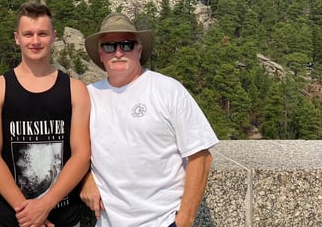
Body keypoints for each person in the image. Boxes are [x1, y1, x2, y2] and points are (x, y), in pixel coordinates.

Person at [80, 13, 219, 227]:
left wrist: (184, 220)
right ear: (100, 53)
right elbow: (74, 151)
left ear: (139, 49)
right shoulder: (88, 96)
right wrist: (86, 178)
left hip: (163, 221)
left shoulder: (168, 90)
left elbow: (201, 156)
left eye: (126, 45)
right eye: (109, 46)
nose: (118, 52)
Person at [0, 2, 91, 227]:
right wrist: (29, 214)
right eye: (28, 34)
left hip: (64, 217)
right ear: (17, 38)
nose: (35, 41)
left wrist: (45, 204)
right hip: (13, 218)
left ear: (53, 36)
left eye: (42, 34)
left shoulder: (75, 89)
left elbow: (81, 154)